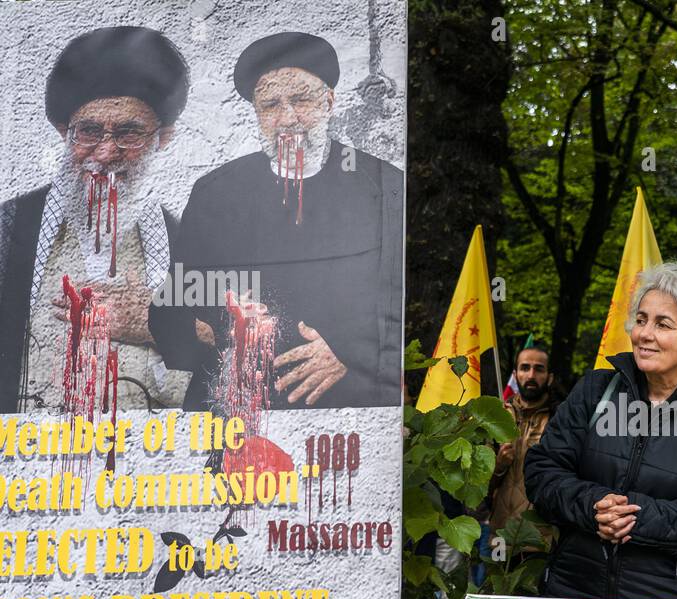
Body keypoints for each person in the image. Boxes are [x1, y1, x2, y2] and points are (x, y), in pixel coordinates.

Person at [149, 31, 403, 410]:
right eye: (270, 105)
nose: (287, 118)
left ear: (328, 102)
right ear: (256, 113)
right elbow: (171, 308)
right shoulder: (216, 193)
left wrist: (351, 353)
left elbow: (400, 301)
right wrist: (221, 324)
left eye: (300, 100)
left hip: (345, 410)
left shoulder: (383, 187)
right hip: (231, 410)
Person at [524, 263, 677, 599]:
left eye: (663, 325)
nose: (644, 333)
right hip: (572, 597)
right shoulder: (594, 391)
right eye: (642, 319)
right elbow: (542, 471)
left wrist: (638, 518)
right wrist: (593, 506)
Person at [0, 26, 192, 413]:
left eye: (129, 133)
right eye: (88, 131)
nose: (105, 153)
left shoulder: (186, 242)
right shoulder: (9, 228)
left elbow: (227, 355)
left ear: (163, 138)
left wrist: (156, 324)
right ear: (63, 132)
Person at [488, 342, 559, 532]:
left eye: (539, 369)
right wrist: (499, 466)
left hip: (541, 538)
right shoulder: (497, 418)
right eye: (525, 368)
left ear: (549, 377)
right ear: (515, 374)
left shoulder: (561, 420)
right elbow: (477, 487)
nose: (531, 375)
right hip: (499, 533)